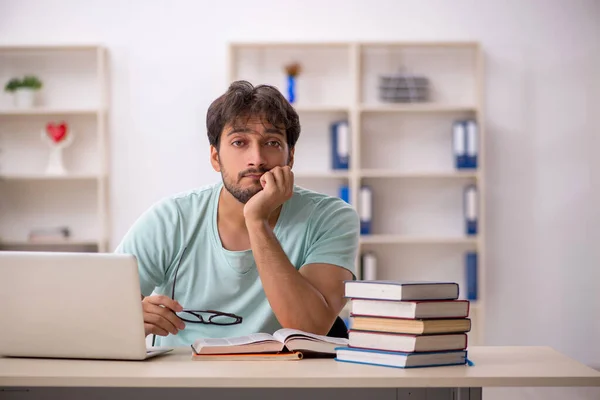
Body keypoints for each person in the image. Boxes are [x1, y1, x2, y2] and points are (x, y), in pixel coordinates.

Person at [115, 80, 360, 348]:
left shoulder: (331, 218)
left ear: (290, 158)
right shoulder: (172, 218)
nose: (256, 158)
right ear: (215, 157)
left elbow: (310, 328)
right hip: (184, 381)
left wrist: (256, 221)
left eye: (272, 143)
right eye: (239, 142)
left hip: (282, 383)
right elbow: (98, 307)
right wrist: (127, 317)